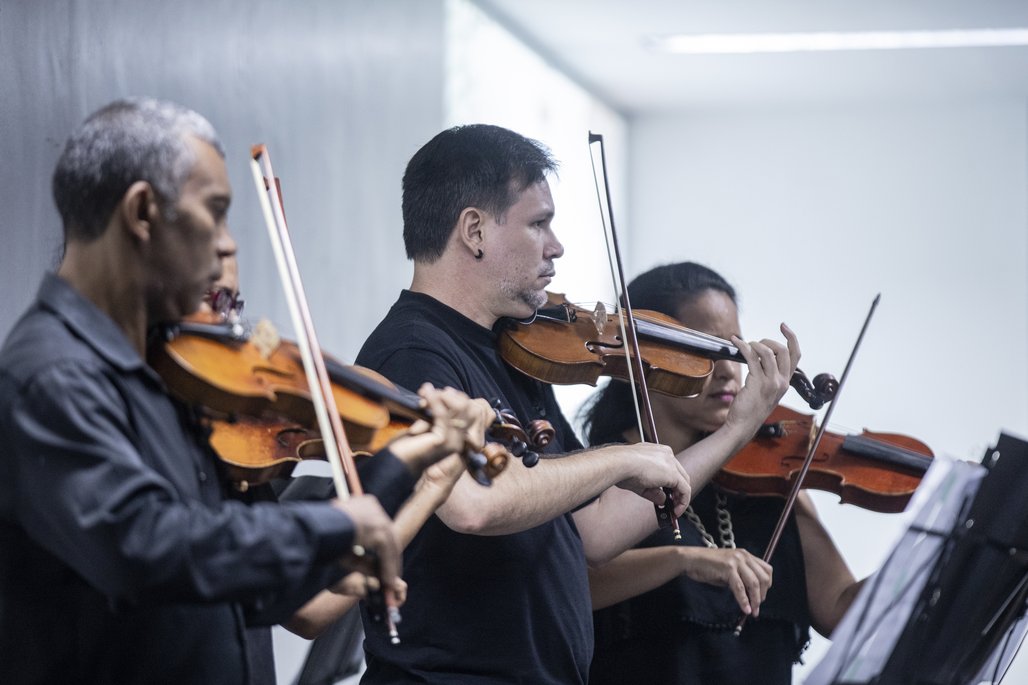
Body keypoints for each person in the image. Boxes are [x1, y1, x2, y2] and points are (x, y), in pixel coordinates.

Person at [353, 124, 800, 684]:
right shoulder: (412, 352)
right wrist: (622, 459)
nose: (556, 245)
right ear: (474, 231)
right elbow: (473, 503)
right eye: (538, 223)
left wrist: (736, 430)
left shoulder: (510, 350)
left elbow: (594, 530)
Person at [0, 98, 409, 684]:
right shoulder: (53, 376)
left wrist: (395, 476)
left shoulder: (154, 382)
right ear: (142, 211)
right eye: (214, 213)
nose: (227, 246)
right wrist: (338, 527)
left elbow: (235, 587)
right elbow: (149, 546)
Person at [584, 261, 864, 685]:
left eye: (735, 350)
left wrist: (938, 541)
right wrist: (682, 560)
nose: (731, 370)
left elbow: (844, 609)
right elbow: (573, 581)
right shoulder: (605, 471)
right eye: (706, 350)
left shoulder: (772, 479)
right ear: (648, 354)